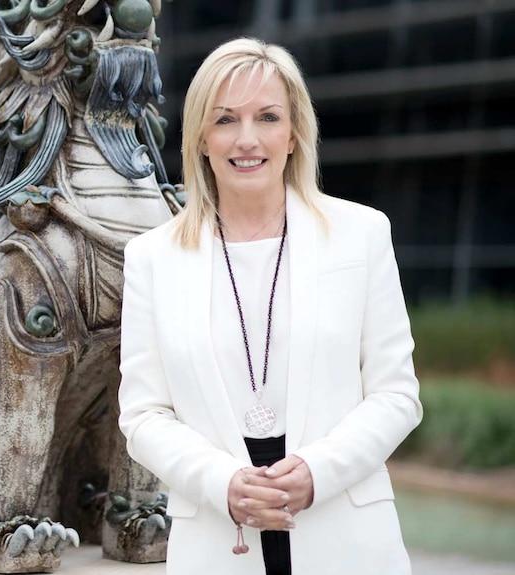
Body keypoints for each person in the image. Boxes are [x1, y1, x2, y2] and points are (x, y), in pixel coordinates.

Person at [118, 37, 422, 575]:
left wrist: (316, 471)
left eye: (268, 117)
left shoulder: (362, 235)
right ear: (201, 139)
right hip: (217, 543)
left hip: (348, 540)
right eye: (226, 120)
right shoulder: (152, 258)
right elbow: (143, 416)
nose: (248, 139)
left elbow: (397, 395)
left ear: (294, 132)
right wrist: (222, 483)